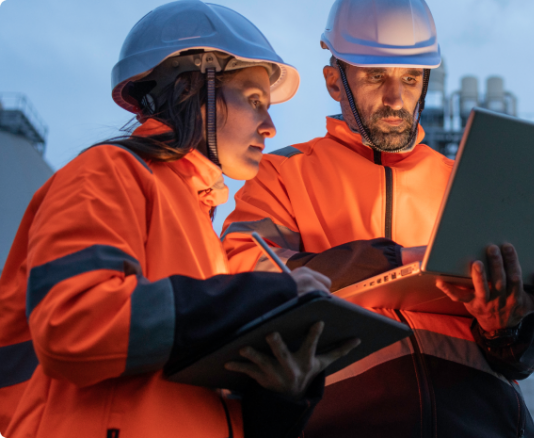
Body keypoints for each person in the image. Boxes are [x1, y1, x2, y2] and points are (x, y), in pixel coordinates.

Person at [0, 2, 362, 437]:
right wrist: (258, 296)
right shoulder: (107, 173)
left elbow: (203, 394)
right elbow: (73, 323)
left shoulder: (201, 232)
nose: (269, 127)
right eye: (253, 102)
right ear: (193, 89)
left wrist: (284, 391)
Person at [221, 0, 534, 436]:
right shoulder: (283, 174)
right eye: (375, 76)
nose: (396, 98)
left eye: (411, 78)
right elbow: (246, 276)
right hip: (346, 420)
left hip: (487, 423)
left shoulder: (464, 183)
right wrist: (386, 262)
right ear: (334, 82)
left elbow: (525, 354)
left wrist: (506, 326)